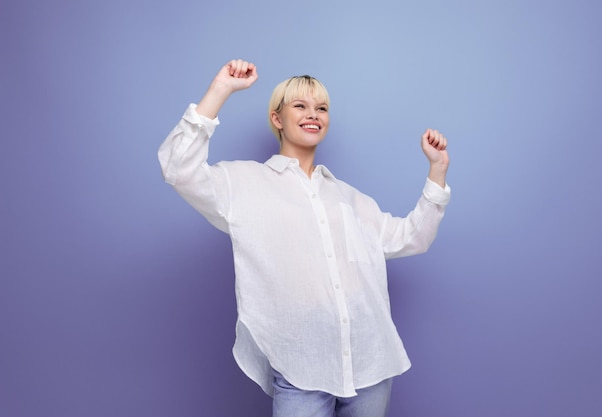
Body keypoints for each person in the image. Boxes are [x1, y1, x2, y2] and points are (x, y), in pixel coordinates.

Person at [158, 59, 451, 417]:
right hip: (300, 370)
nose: (313, 114)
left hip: (372, 366)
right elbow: (178, 168)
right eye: (300, 105)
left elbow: (412, 238)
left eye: (322, 108)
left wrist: (437, 171)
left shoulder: (350, 198)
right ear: (277, 119)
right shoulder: (245, 183)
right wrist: (220, 89)